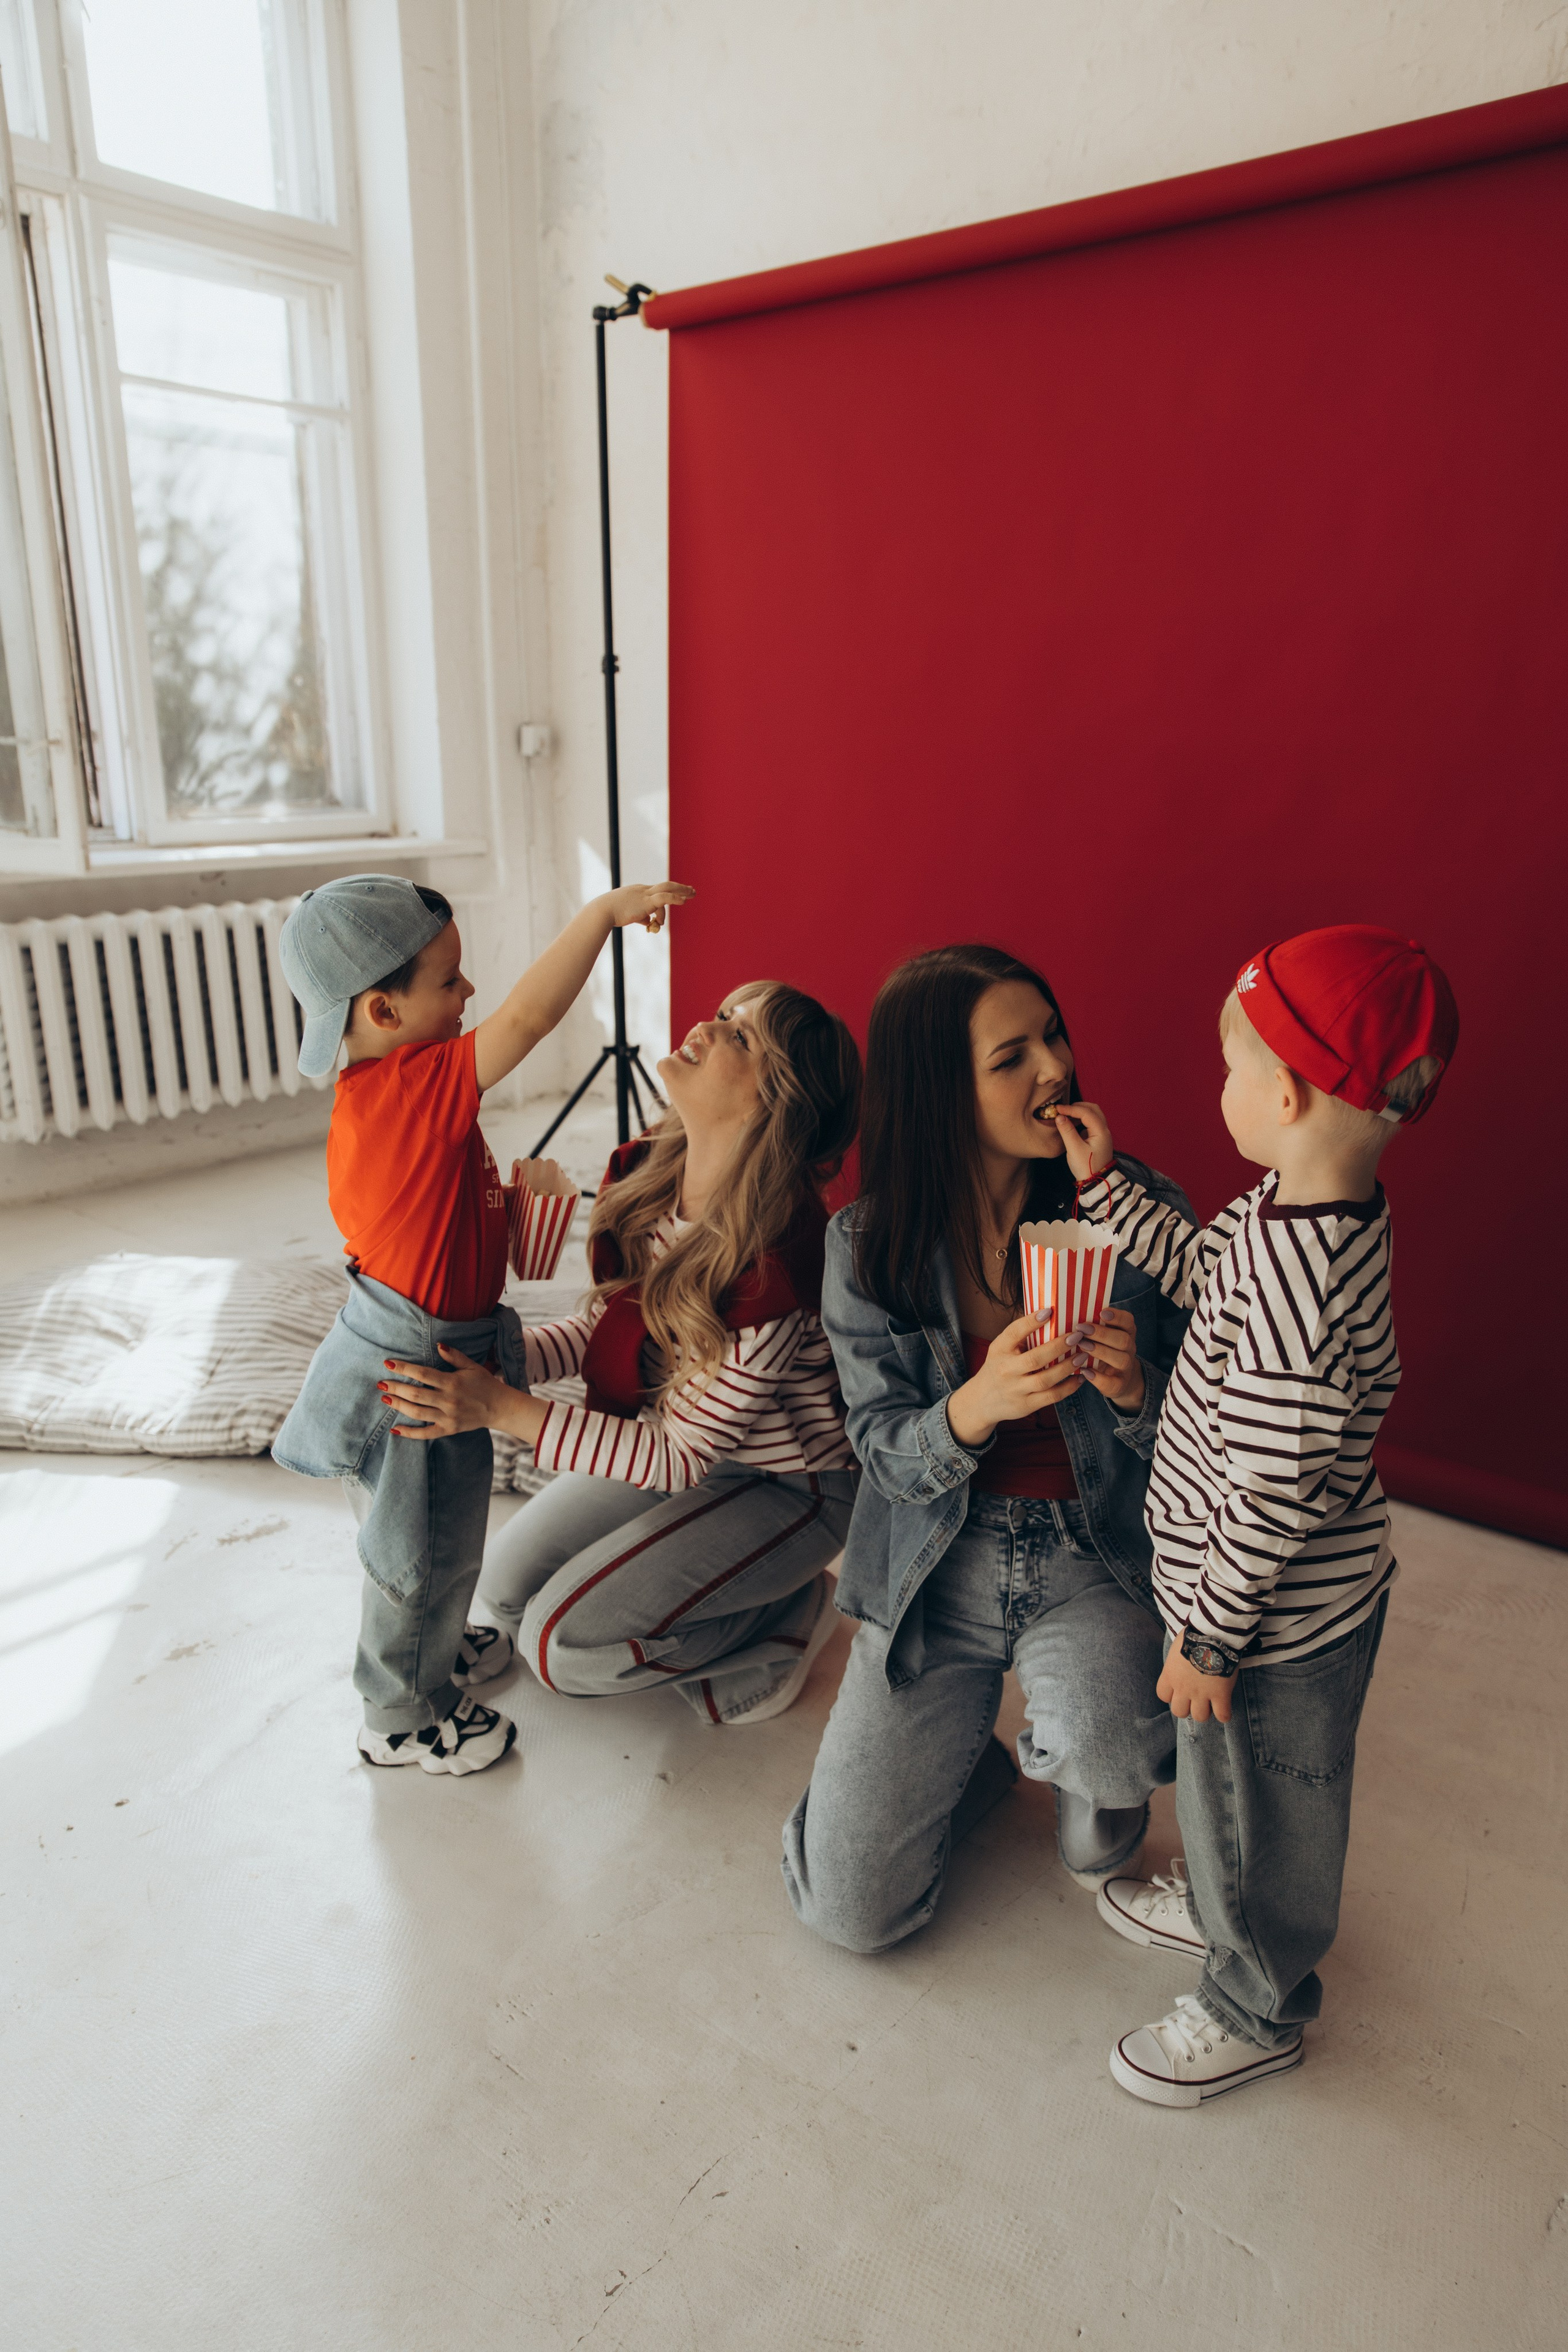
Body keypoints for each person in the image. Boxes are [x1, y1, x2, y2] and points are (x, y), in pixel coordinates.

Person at [1057, 925, 1458, 2107]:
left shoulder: (1306, 1284)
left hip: (1272, 1626)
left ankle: (1257, 2001)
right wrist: (1107, 1187)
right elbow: (1193, 1269)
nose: (1221, 1088)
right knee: (1232, 1790)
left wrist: (1209, 1636)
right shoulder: (1296, 1209)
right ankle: (1225, 1895)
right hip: (1251, 1606)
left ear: (1281, 1092)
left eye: (1231, 1068)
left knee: (1271, 1801)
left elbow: (1274, 1495)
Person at [782, 943, 1193, 1954]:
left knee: (1101, 1821)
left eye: (1054, 1034)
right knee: (851, 1918)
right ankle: (955, 1767)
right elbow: (881, 1453)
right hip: (932, 1566)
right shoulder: (866, 1246)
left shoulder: (1134, 1216)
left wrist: (1137, 1390)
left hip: (1093, 1558)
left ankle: (1081, 1769)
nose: (1055, 1068)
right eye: (1013, 1055)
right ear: (939, 1092)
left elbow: (1203, 1438)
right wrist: (977, 1404)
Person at [273, 870, 692, 1776]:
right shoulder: (405, 1088)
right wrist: (601, 916)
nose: (471, 995)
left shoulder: (402, 1090)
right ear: (383, 1010)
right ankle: (399, 1710)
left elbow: (434, 1220)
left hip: (432, 1341)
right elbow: (531, 1022)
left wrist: (507, 1210)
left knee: (446, 1531)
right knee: (416, 1548)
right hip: (413, 1364)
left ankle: (428, 1646)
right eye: (451, 980)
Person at [375, 981, 863, 1727]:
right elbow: (611, 1335)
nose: (707, 1024)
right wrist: (494, 1363)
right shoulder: (652, 1178)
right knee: (504, 1595)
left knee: (558, 1649)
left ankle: (786, 1615)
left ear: (778, 1104)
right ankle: (739, 1585)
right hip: (689, 1447)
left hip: (788, 1487)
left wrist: (505, 1410)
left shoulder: (779, 1263)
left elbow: (677, 1460)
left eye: (739, 1035)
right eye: (724, 1011)